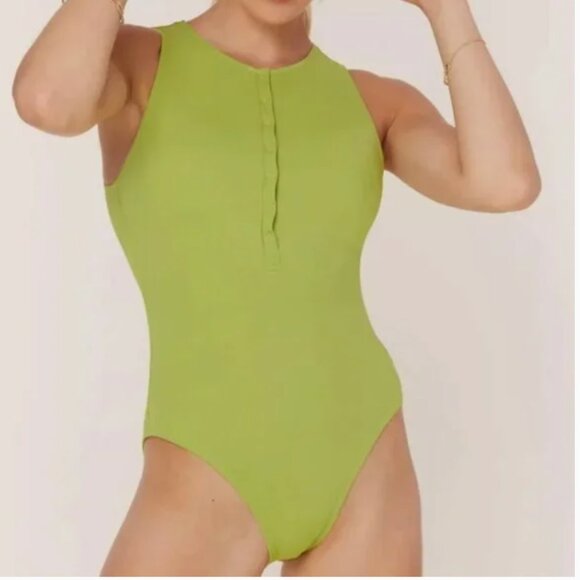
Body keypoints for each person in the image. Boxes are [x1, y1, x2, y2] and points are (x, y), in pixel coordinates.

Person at [12, 0, 541, 576]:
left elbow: (505, 183)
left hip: (364, 457)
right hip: (202, 467)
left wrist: (446, 9)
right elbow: (46, 101)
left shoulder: (372, 101)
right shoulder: (141, 63)